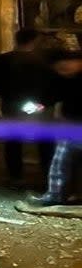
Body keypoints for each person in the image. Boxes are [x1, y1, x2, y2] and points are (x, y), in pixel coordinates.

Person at [0, 28, 56, 186]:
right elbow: (54, 85)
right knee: (45, 143)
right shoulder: (45, 62)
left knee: (13, 142)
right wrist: (44, 102)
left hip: (13, 105)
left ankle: (15, 177)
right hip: (41, 107)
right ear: (34, 41)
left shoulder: (1, 61)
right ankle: (47, 178)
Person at [28, 52, 82, 207]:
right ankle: (56, 195)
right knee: (61, 162)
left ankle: (58, 195)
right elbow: (51, 96)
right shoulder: (66, 79)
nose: (62, 70)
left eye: (64, 66)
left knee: (62, 161)